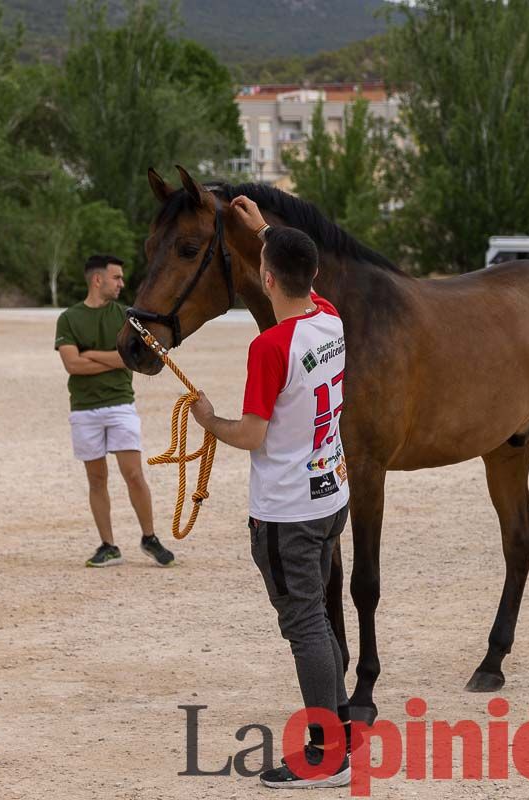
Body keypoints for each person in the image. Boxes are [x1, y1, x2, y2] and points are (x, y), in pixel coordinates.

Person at [190, 196, 352, 789]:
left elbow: (252, 434)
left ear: (263, 277)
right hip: (331, 497)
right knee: (321, 622)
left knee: (306, 624)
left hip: (288, 510)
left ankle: (326, 753)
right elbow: (300, 270)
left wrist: (208, 420)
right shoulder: (329, 318)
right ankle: (339, 733)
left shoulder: (270, 348)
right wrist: (265, 233)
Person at [55, 254, 175, 567]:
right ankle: (108, 545)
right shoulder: (69, 318)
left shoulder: (128, 318)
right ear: (98, 280)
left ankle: (149, 537)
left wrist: (91, 354)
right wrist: (109, 357)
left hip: (121, 405)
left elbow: (129, 359)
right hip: (84, 410)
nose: (122, 283)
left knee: (134, 474)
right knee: (97, 479)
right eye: (116, 277)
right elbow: (72, 364)